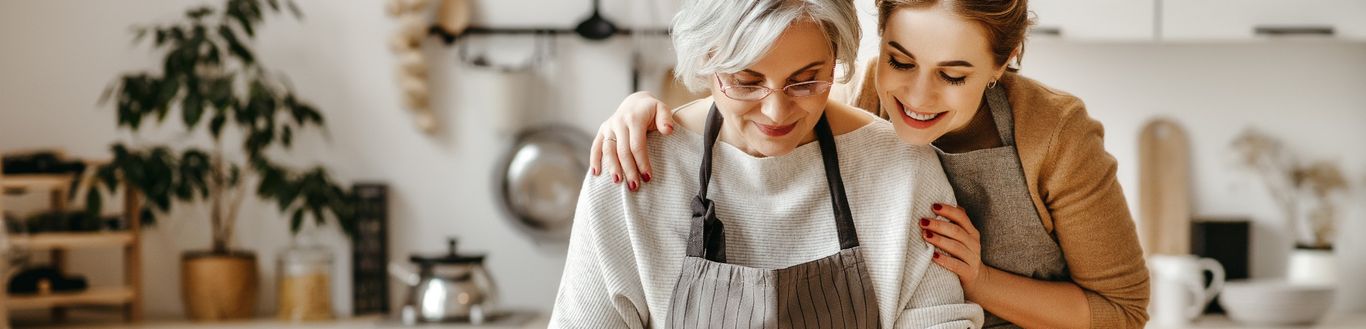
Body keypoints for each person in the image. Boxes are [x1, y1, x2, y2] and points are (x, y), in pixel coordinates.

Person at [584, 0, 1150, 328]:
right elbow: (756, 93)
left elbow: (1121, 311)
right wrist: (641, 113)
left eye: (954, 75)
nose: (919, 97)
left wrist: (977, 281)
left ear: (1003, 64)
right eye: (900, 61)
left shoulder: (1054, 134)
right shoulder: (847, 101)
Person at [549, 0, 983, 328]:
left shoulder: (902, 168)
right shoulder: (635, 166)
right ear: (706, 61)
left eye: (806, 80)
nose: (776, 112)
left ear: (837, 60)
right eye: (745, 81)